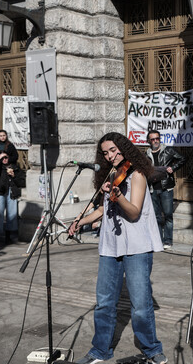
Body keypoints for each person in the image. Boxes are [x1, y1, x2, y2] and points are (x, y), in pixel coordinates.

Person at [68, 132, 167, 364]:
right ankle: (100, 350)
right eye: (105, 153)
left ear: (124, 148)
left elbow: (133, 212)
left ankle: (152, 349)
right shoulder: (111, 175)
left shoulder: (138, 175)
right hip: (110, 244)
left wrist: (118, 197)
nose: (109, 155)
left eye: (113, 150)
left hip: (137, 245)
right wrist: (79, 222)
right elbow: (102, 211)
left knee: (141, 305)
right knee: (104, 302)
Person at [145, 130, 186, 250]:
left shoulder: (168, 150)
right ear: (149, 141)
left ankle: (168, 240)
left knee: (168, 215)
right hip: (152, 189)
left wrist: (173, 168)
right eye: (152, 139)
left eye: (157, 138)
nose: (155, 141)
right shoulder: (146, 155)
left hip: (166, 188)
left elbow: (182, 159)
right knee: (156, 216)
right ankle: (158, 240)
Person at [0, 152, 25, 245]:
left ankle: (9, 237)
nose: (5, 159)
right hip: (0, 192)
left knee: (12, 215)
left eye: (6, 157)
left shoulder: (15, 168)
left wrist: (14, 176)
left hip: (12, 193)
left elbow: (22, 182)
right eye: (2, 158)